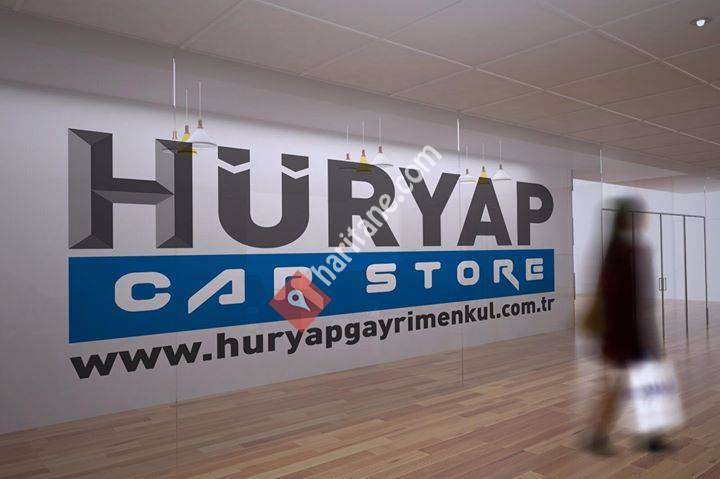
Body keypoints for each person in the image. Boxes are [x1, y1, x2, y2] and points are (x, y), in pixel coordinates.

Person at [586, 197, 667, 455]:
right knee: (644, 385)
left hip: (615, 333)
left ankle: (605, 436)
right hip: (631, 334)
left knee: (625, 386)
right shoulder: (633, 252)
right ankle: (645, 437)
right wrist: (649, 338)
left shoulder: (612, 252)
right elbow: (638, 300)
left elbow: (610, 295)